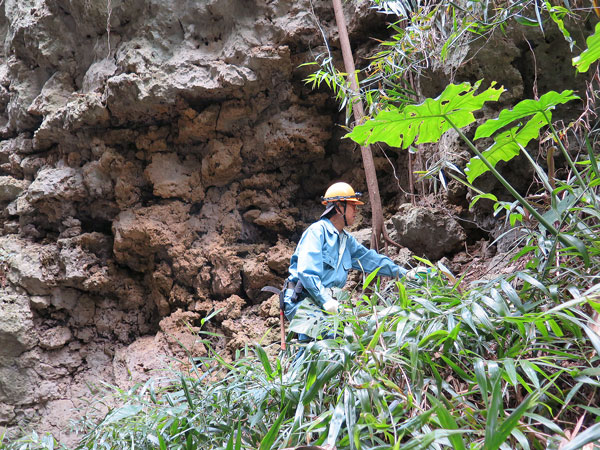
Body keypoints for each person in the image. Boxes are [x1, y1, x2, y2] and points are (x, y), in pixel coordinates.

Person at [283, 181, 408, 341]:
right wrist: (326, 301)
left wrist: (405, 273)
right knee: (328, 335)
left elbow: (373, 261)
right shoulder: (317, 232)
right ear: (338, 207)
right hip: (302, 300)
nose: (356, 210)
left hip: (323, 302)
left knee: (343, 336)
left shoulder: (346, 241)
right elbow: (307, 273)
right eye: (352, 206)